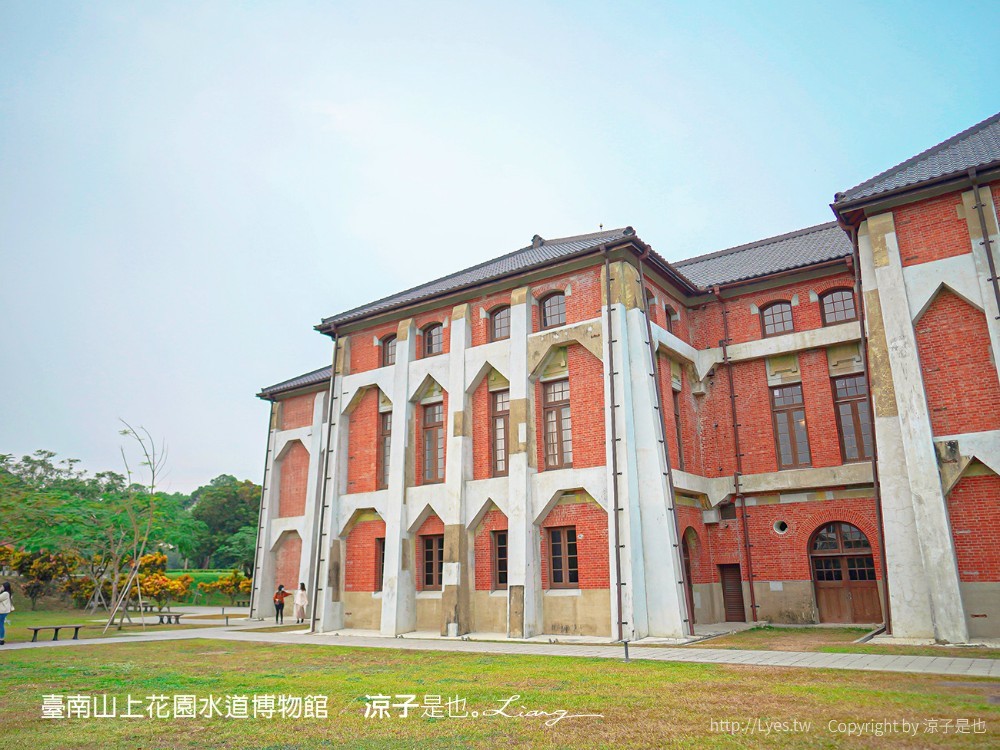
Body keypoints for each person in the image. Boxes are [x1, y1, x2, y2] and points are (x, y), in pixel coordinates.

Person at [0, 582, 13, 646]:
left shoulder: (5, 593)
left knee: (0, 625)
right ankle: (1, 639)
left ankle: (1, 639)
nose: (1, 587)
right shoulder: (7, 593)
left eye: (2, 586)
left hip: (2, 611)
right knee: (1, 624)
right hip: (4, 611)